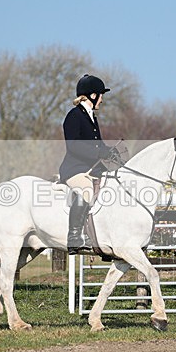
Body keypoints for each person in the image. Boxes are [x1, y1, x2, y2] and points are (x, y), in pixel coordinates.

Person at [59, 74, 114, 254]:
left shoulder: (91, 117)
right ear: (92, 95)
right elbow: (73, 145)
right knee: (86, 191)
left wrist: (109, 152)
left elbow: (97, 144)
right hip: (75, 170)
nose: (102, 100)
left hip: (91, 169)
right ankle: (74, 237)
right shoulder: (74, 116)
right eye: (100, 95)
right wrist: (99, 152)